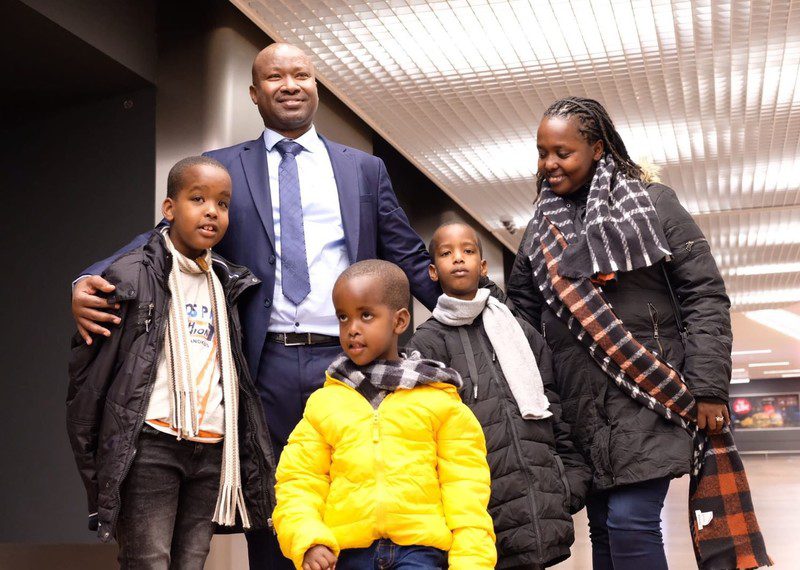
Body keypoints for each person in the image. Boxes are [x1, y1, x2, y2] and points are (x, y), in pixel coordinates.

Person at [69, 43, 438, 568]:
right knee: (268, 499)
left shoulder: (364, 170)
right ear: (254, 93)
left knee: (354, 491)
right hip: (261, 367)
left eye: (301, 75)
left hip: (348, 362)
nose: (289, 85)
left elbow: (406, 254)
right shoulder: (222, 170)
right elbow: (162, 237)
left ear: (316, 86)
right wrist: (90, 276)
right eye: (274, 77)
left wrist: (476, 309)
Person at [506, 97, 735, 569]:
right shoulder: (538, 234)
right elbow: (521, 322)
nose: (549, 164)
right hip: (578, 404)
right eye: (542, 152)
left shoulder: (653, 204)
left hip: (649, 392)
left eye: (562, 152)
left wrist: (709, 387)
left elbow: (704, 296)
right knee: (605, 531)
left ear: (596, 147)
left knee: (631, 522)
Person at [66, 157, 275, 569]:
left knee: (191, 563)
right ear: (169, 208)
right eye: (197, 198)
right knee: (148, 562)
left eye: (223, 203)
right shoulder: (131, 274)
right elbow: (89, 377)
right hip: (151, 445)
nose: (212, 210)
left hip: (212, 448)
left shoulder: (229, 284)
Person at [272, 259, 496, 570]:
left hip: (420, 554)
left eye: (366, 315)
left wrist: (472, 561)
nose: (352, 328)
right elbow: (299, 480)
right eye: (343, 317)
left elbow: (466, 488)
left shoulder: (440, 400)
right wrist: (307, 537)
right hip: (346, 555)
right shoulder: (326, 403)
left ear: (400, 321)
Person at [407, 221, 591, 569]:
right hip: (477, 510)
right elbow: (424, 440)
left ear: (483, 266)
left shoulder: (518, 330)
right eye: (446, 254)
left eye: (468, 251)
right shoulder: (427, 344)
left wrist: (570, 482)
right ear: (433, 271)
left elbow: (553, 406)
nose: (458, 259)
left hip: (539, 498)